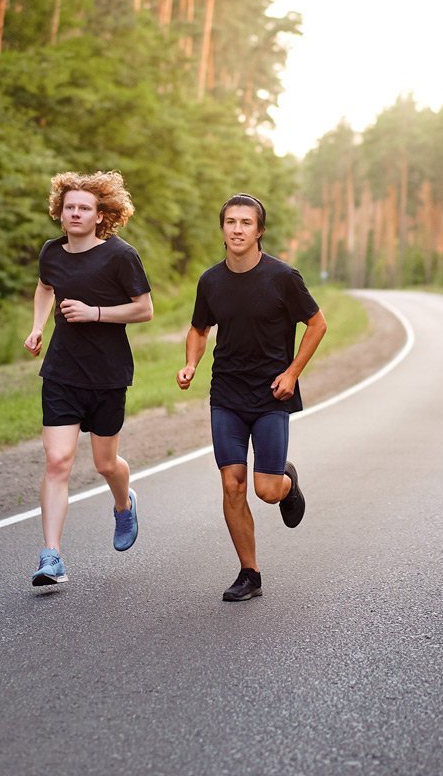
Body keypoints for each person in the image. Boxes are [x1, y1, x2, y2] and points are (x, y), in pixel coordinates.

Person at [176, 193, 327, 602]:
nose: (238, 229)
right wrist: (191, 364)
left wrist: (292, 373)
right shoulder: (210, 281)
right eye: (230, 222)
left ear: (259, 231)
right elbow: (199, 329)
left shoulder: (283, 277)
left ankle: (287, 482)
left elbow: (317, 324)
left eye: (246, 222)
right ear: (222, 228)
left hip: (271, 394)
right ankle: (250, 573)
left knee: (266, 490)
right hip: (226, 393)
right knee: (232, 484)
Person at [23, 171, 154, 586]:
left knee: (104, 463)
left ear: (100, 216)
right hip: (62, 371)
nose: (75, 213)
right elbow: (45, 288)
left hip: (108, 373)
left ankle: (122, 504)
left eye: (84, 208)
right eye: (69, 207)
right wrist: (39, 326)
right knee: (58, 461)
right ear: (59, 214)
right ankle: (51, 556)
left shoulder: (120, 255)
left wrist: (95, 312)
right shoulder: (52, 252)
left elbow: (144, 309)